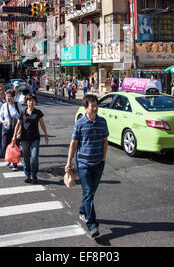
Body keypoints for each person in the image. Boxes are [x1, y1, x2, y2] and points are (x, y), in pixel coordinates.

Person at [65, 94, 109, 239]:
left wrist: (103, 158)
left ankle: (83, 210)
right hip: (83, 164)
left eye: (96, 105)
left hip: (98, 163)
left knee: (90, 193)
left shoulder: (102, 122)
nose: (95, 108)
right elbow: (74, 143)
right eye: (92, 106)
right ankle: (92, 225)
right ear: (86, 107)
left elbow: (105, 140)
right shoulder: (80, 123)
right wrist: (68, 162)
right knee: (89, 192)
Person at [13, 93, 48, 184]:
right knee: (26, 157)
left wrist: (46, 134)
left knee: (34, 157)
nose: (30, 102)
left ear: (35, 102)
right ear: (26, 102)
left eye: (32, 100)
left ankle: (34, 175)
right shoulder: (23, 112)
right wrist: (14, 136)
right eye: (28, 100)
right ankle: (27, 174)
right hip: (24, 138)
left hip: (35, 138)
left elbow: (42, 124)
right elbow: (18, 124)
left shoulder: (38, 112)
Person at [0, 89, 23, 171]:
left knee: (15, 146)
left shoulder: (17, 105)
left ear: (13, 97)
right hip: (6, 128)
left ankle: (15, 164)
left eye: (10, 97)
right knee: (4, 145)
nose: (8, 98)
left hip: (15, 128)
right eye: (7, 96)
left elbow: (22, 114)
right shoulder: (4, 106)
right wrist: (2, 121)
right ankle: (8, 158)